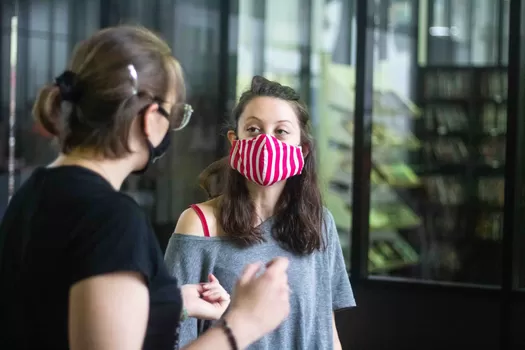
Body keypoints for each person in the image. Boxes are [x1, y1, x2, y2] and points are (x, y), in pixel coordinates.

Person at [0, 26, 291, 350]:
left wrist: (167, 302)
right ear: (151, 118)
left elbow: (57, 313)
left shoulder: (33, 192)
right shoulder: (112, 218)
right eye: (175, 113)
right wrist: (243, 324)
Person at [165, 76, 356, 350]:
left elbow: (326, 329)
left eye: (281, 131)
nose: (266, 142)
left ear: (301, 150)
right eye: (253, 129)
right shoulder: (199, 225)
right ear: (235, 141)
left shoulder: (321, 222)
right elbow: (173, 332)